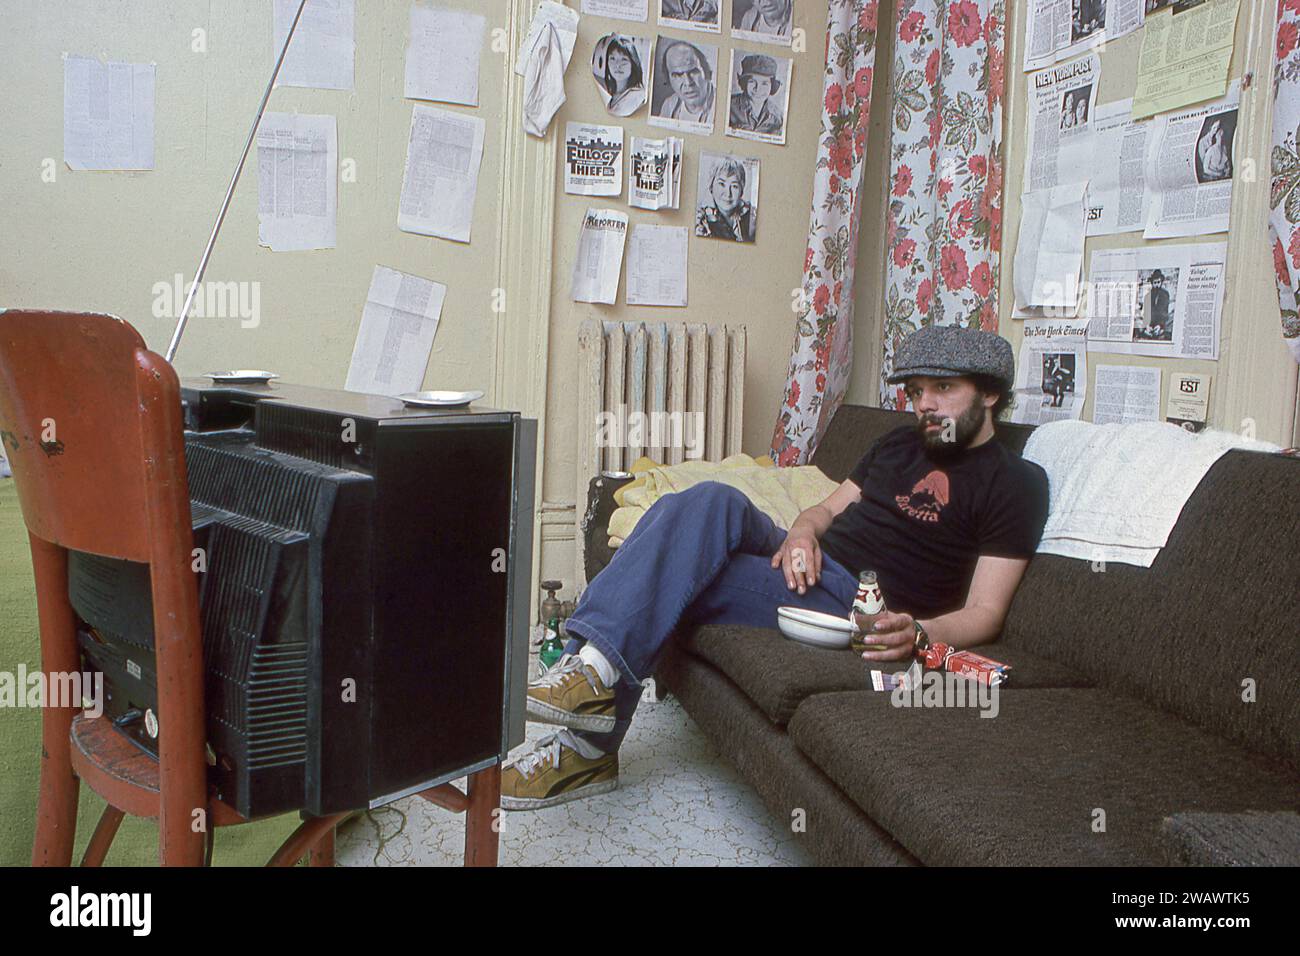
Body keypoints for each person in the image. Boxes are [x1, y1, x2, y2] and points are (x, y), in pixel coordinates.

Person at [500, 325, 1052, 809]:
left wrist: (919, 633)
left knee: (675, 568)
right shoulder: (895, 445)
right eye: (915, 392)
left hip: (854, 605)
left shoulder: (1016, 483)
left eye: (943, 388)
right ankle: (592, 678)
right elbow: (826, 508)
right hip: (809, 562)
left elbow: (986, 611)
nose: (925, 405)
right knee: (708, 500)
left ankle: (586, 728)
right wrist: (803, 533)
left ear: (991, 392)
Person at [695, 157, 757, 242]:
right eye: (721, 184)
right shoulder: (699, 217)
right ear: (711, 186)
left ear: (741, 191)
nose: (728, 193)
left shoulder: (752, 215)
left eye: (734, 186)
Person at [657, 40, 716, 126]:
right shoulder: (669, 105)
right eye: (677, 75)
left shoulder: (724, 107)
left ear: (707, 71)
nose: (688, 82)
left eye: (694, 71)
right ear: (668, 79)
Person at [728, 54, 784, 135]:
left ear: (772, 86)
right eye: (752, 81)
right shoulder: (730, 106)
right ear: (744, 82)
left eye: (764, 83)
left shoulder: (778, 117)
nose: (758, 89)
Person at [598, 36, 646, 116]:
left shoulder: (638, 96)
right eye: (612, 58)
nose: (617, 65)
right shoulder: (605, 92)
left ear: (633, 64)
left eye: (624, 60)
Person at [1141, 270, 1171, 339]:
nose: (1157, 285)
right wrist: (1147, 326)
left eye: (1158, 282)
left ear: (1161, 282)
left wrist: (1160, 326)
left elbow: (1165, 312)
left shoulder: (1165, 294)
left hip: (1161, 324)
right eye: (1155, 283)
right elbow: (1146, 313)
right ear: (1152, 283)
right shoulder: (1147, 296)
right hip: (1150, 325)